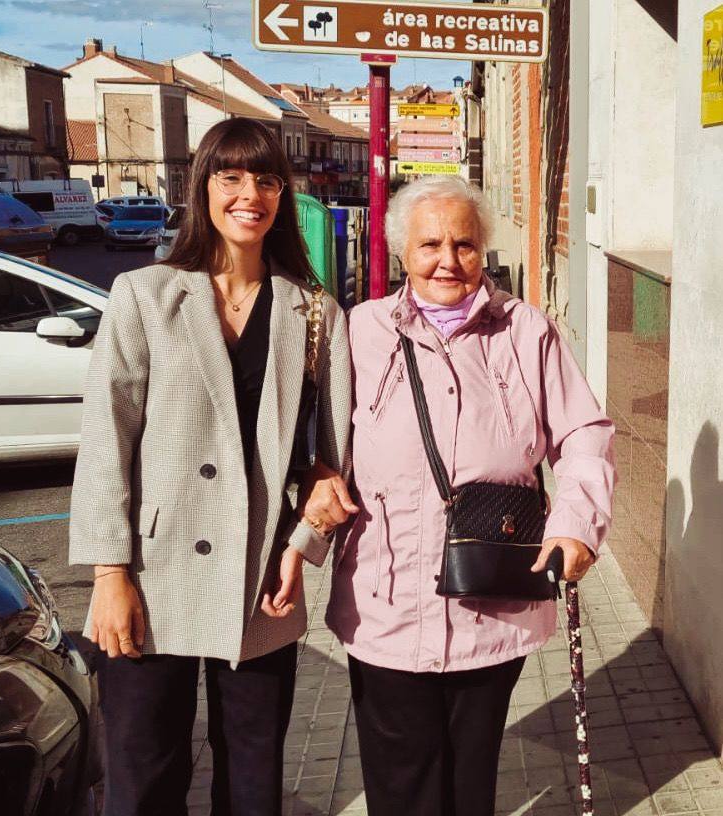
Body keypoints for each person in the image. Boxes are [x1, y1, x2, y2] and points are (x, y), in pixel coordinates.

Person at [69, 118, 353, 816]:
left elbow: (331, 465)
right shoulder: (146, 294)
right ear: (203, 188)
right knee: (143, 775)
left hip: (263, 579)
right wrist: (110, 576)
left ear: (283, 195)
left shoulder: (315, 312)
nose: (248, 194)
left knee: (253, 785)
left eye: (265, 179)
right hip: (150, 573)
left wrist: (302, 547)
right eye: (230, 177)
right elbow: (107, 441)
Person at [313, 176, 616, 816]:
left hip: (492, 598)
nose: (447, 261)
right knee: (401, 785)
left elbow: (583, 431)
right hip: (385, 603)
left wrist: (578, 524)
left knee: (471, 779)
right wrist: (307, 515)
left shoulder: (524, 330)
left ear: (483, 251)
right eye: (429, 245)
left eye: (464, 244)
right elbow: (317, 446)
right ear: (402, 254)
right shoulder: (359, 332)